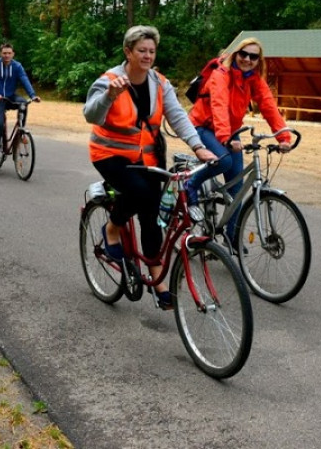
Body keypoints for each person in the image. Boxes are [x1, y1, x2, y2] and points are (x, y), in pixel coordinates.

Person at [83, 25, 215, 310]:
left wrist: (198, 146)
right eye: (141, 50)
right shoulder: (110, 80)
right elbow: (90, 114)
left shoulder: (159, 83)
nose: (147, 56)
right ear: (127, 52)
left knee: (153, 214)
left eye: (151, 51)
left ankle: (157, 280)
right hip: (110, 155)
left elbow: (178, 116)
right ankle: (113, 229)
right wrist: (109, 96)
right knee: (142, 194)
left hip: (148, 158)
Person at [185, 37, 292, 248]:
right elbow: (219, 104)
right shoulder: (220, 75)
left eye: (253, 56)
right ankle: (191, 185)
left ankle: (231, 237)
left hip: (229, 130)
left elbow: (269, 106)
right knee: (223, 162)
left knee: (237, 187)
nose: (247, 59)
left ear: (258, 60)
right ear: (236, 54)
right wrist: (225, 138)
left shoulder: (253, 80)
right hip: (203, 126)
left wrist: (283, 137)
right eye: (243, 54)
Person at [0, 43, 40, 168]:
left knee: (24, 103)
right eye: (4, 53)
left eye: (9, 53)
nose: (7, 55)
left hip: (10, 97)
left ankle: (21, 131)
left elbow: (24, 79)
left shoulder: (17, 66)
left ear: (13, 54)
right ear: (0, 54)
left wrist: (32, 95)